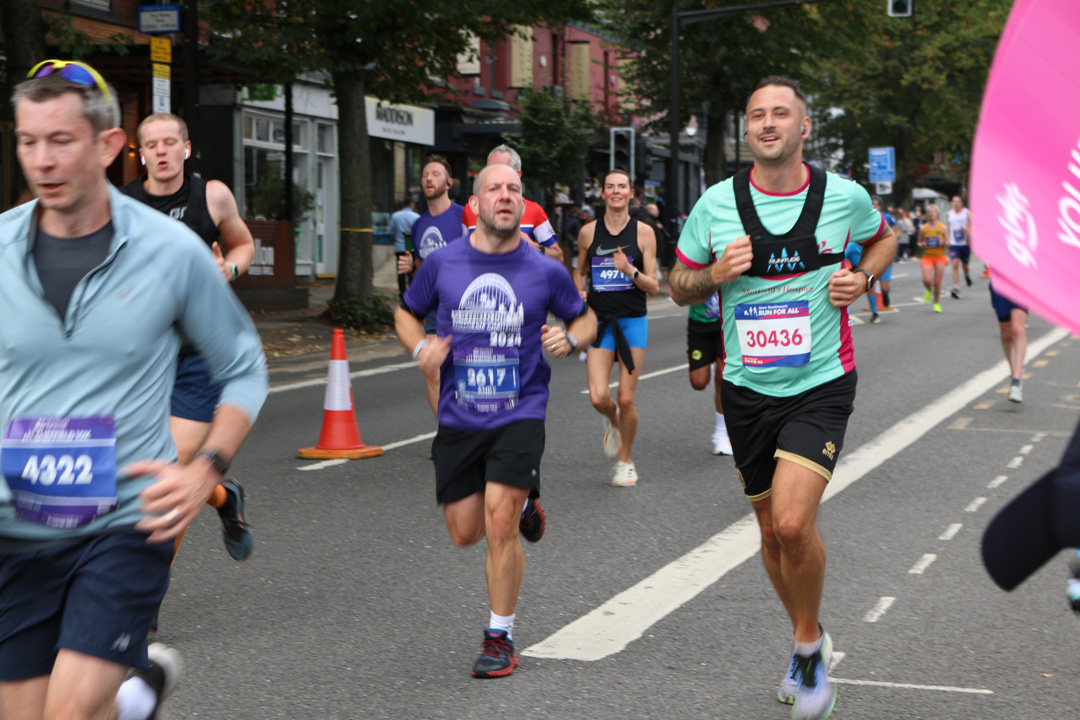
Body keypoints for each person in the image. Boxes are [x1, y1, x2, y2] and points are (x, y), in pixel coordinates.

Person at [2, 59, 267, 720]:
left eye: (61, 140)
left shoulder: (170, 250)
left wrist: (205, 468)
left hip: (125, 519)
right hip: (19, 525)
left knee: (66, 712)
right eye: (28, 141)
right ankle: (132, 699)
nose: (42, 159)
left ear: (107, 145)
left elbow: (244, 367)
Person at [668, 76, 895, 720]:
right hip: (746, 390)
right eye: (756, 115)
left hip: (820, 382)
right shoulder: (716, 204)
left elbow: (884, 238)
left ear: (804, 127)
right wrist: (715, 274)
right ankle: (807, 637)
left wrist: (864, 278)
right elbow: (677, 285)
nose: (767, 123)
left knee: (793, 523)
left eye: (780, 113)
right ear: (747, 129)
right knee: (770, 533)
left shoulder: (843, 196)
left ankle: (808, 653)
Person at [394, 163, 596, 678]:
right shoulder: (443, 262)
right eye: (494, 189)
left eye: (513, 189)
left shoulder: (544, 270)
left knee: (499, 524)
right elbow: (405, 312)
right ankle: (527, 500)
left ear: (522, 204)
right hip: (460, 416)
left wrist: (571, 337)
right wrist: (420, 348)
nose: (504, 196)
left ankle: (499, 637)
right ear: (476, 203)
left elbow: (586, 317)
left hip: (519, 412)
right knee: (465, 531)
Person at [122, 112, 255, 562]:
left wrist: (229, 268)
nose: (161, 151)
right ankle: (224, 497)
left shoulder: (212, 196)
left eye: (168, 142)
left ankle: (150, 587)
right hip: (142, 355)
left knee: (175, 463)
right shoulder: (122, 205)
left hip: (199, 354)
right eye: (151, 145)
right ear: (141, 154)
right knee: (135, 471)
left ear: (186, 148)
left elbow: (243, 244)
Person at [574, 169, 660, 487]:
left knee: (625, 399)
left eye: (622, 187)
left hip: (632, 321)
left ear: (631, 193)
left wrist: (629, 270)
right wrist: (578, 290)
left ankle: (627, 461)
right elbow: (579, 271)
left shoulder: (644, 233)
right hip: (599, 323)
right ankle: (613, 423)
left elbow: (654, 286)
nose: (616, 192)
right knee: (599, 398)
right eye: (610, 187)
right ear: (603, 193)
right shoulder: (588, 233)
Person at [397, 154, 469, 415]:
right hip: (434, 308)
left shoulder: (464, 216)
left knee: (466, 371)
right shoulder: (419, 226)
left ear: (448, 183)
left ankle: (473, 425)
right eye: (425, 175)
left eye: (435, 174)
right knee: (432, 369)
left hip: (464, 305)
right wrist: (411, 266)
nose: (429, 178)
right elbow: (421, 268)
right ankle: (445, 430)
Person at [462, 144, 565, 263]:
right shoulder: (471, 209)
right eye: (490, 169)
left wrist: (534, 246)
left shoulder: (534, 210)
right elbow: (458, 253)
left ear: (518, 174)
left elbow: (559, 257)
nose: (494, 175)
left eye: (501, 169)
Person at [687, 294, 732, 455]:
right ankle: (711, 362)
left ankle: (721, 435)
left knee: (722, 377)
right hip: (699, 322)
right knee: (698, 382)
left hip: (724, 320)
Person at [985, 270, 1027, 403]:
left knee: (1017, 329)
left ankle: (1016, 381)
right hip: (999, 282)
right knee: (1006, 332)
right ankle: (1014, 369)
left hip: (1022, 282)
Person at [918, 204, 949, 313]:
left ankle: (936, 303)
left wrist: (943, 242)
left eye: (933, 212)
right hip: (928, 257)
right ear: (927, 214)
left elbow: (948, 243)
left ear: (937, 214)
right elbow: (919, 242)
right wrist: (923, 244)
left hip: (940, 257)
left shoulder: (943, 227)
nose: (931, 213)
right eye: (929, 212)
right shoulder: (923, 228)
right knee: (926, 280)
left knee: (937, 283)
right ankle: (929, 289)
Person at [389, 196, 420, 294]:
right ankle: (411, 293)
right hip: (411, 248)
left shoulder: (395, 216)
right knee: (412, 271)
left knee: (401, 271)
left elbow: (391, 232)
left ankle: (402, 294)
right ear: (412, 204)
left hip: (399, 247)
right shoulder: (416, 216)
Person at [947, 194, 972, 298]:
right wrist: (947, 239)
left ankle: (966, 274)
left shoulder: (967, 213)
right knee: (955, 264)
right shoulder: (949, 213)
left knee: (965, 265)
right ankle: (956, 287)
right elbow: (947, 227)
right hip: (954, 244)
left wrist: (968, 230)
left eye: (958, 201)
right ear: (952, 203)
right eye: (954, 201)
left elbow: (974, 225)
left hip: (965, 243)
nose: (956, 203)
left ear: (961, 203)